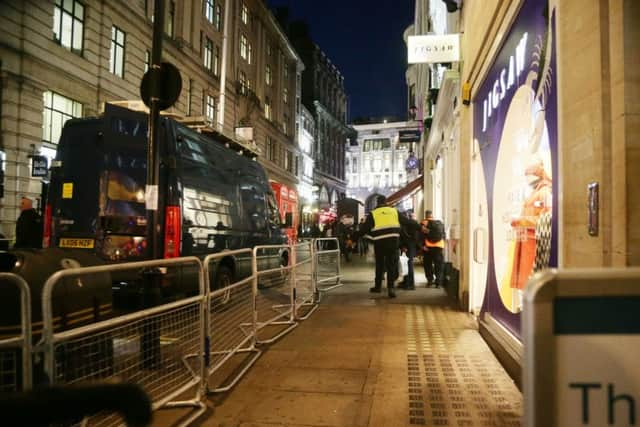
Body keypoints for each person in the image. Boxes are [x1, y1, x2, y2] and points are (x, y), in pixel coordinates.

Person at [358, 195, 420, 298]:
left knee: (380, 265)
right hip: (393, 243)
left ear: (377, 203)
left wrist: (352, 238)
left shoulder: (373, 214)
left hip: (379, 243)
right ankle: (391, 289)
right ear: (386, 202)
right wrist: (421, 227)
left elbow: (363, 229)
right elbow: (407, 222)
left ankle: (377, 287)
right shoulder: (394, 211)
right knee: (391, 266)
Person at [421, 210, 445, 288]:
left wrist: (422, 246)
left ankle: (430, 281)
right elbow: (443, 234)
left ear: (426, 215)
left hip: (428, 247)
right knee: (439, 264)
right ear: (432, 215)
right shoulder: (440, 223)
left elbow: (420, 235)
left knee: (428, 264)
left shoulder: (423, 223)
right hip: (439, 247)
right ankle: (438, 282)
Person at [398, 211, 421, 290]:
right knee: (406, 264)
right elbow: (416, 238)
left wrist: (403, 246)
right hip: (410, 247)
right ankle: (407, 282)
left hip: (408, 247)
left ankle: (409, 284)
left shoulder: (407, 225)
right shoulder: (414, 224)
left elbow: (403, 236)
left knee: (407, 265)